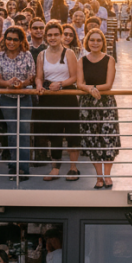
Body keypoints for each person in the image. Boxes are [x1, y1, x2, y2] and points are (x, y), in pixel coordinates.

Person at [36, 22, 81, 181]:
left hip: (67, 95)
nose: (53, 38)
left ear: (61, 36)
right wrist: (40, 86)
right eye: (50, 35)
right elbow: (39, 76)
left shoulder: (68, 53)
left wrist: (61, 84)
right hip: (49, 97)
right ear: (46, 37)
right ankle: (55, 168)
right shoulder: (41, 55)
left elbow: (75, 77)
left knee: (71, 132)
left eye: (56, 34)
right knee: (53, 133)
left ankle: (73, 168)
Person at [0, 25, 36, 181]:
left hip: (24, 98)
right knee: (12, 131)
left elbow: (32, 77)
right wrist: (8, 83)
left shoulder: (27, 55)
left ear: (21, 41)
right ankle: (13, 166)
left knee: (23, 131)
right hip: (7, 99)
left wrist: (22, 84)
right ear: (4, 39)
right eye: (8, 38)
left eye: (15, 39)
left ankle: (23, 168)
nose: (11, 42)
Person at [77, 28, 120, 188]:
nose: (95, 43)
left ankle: (107, 175)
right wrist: (90, 89)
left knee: (108, 138)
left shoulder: (109, 59)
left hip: (105, 102)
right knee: (92, 139)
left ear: (103, 42)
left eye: (98, 40)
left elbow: (109, 84)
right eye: (92, 40)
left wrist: (94, 88)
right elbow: (80, 83)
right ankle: (99, 176)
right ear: (87, 42)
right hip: (88, 104)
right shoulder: (82, 61)